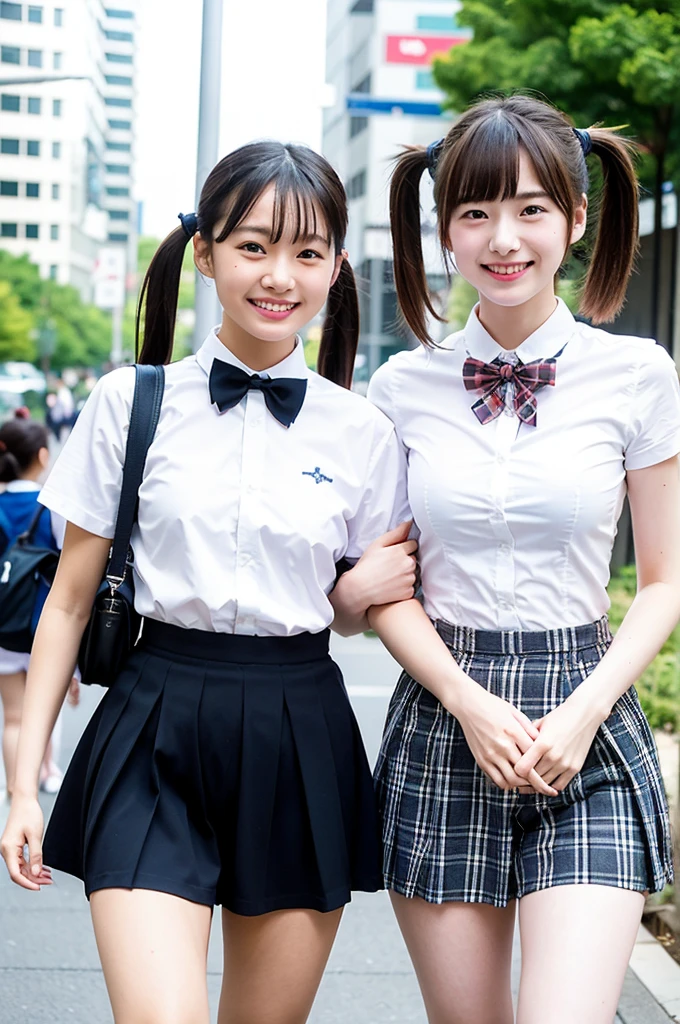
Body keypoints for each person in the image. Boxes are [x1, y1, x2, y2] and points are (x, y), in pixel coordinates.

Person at [0, 141, 416, 1024]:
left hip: (298, 728)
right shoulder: (130, 401)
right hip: (153, 723)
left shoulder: (364, 432)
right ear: (206, 251)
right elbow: (68, 599)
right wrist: (21, 782)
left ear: (337, 267)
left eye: (308, 253)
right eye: (255, 245)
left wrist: (356, 598)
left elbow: (357, 609)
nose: (280, 276)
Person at [331, 95, 680, 1024]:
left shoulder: (639, 375)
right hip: (449, 719)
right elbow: (390, 583)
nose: (504, 238)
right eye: (476, 212)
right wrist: (466, 700)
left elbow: (663, 583)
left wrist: (585, 710)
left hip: (587, 716)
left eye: (530, 208)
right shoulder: (402, 387)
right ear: (445, 230)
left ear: (574, 218)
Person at [0, 409, 78, 801]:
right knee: (44, 711)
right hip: (45, 626)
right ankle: (46, 772)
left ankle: (16, 789)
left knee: (12, 717)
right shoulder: (52, 507)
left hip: (3, 627)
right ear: (43, 457)